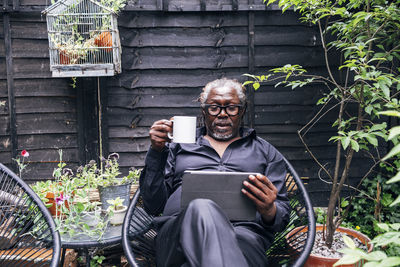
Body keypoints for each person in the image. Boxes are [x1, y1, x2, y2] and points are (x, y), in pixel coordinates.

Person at [139, 78, 290, 267]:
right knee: (202, 207)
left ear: (242, 111)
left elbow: (281, 218)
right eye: (214, 107)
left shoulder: (265, 152)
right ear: (204, 112)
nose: (222, 114)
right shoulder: (177, 146)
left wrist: (270, 210)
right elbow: (153, 205)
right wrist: (156, 152)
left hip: (243, 236)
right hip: (177, 234)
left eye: (231, 107)